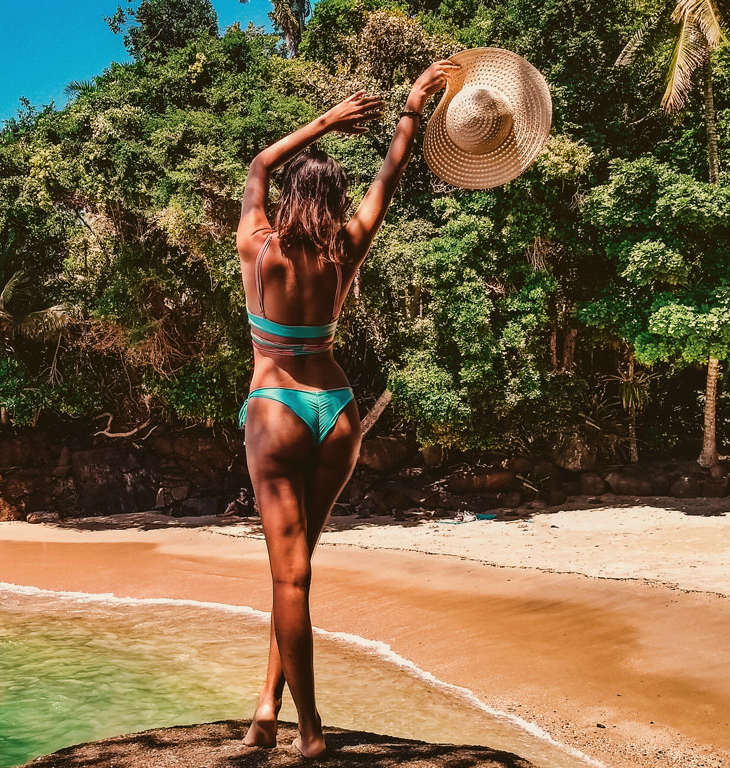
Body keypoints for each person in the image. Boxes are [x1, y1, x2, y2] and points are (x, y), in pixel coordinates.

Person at [235, 59, 458, 758]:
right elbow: (388, 179)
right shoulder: (347, 246)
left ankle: (308, 732)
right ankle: (267, 708)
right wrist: (411, 109)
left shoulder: (259, 245)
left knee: (288, 574)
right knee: (296, 571)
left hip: (276, 405)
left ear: (294, 195)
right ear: (334, 202)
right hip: (337, 411)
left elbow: (256, 164)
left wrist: (327, 121)